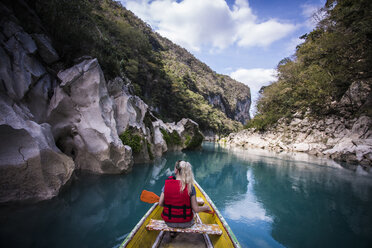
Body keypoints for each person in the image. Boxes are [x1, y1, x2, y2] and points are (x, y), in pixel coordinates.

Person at [159, 160, 211, 228]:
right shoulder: (190, 187)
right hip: (186, 223)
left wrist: (169, 205)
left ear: (176, 171)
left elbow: (160, 203)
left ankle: (172, 233)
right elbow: (196, 209)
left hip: (169, 222)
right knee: (191, 208)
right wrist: (206, 207)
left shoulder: (167, 185)